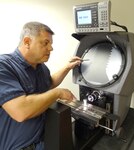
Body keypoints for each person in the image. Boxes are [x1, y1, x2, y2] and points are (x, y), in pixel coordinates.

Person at [0, 21, 81, 150]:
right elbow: (20, 111)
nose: (51, 48)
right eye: (45, 43)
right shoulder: (4, 66)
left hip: (43, 142)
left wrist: (67, 67)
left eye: (51, 44)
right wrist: (58, 93)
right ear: (27, 42)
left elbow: (48, 84)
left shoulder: (40, 67)